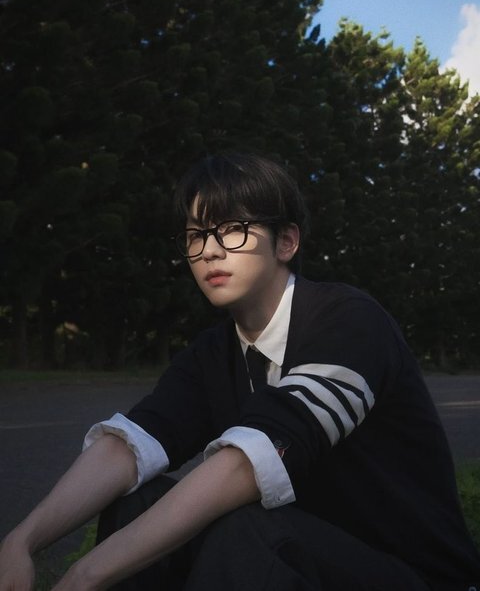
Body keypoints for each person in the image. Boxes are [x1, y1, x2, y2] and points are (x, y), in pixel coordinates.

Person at [1, 153, 479, 590]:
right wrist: (22, 541)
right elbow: (133, 443)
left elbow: (256, 457)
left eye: (232, 229)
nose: (210, 251)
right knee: (137, 502)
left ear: (286, 241)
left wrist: (85, 574)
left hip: (411, 574)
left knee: (245, 529)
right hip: (302, 557)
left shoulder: (350, 321)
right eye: (196, 235)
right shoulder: (214, 352)